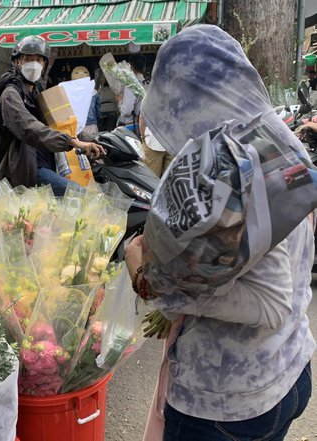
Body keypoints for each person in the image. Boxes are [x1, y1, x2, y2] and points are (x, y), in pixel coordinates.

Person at [124, 25, 314, 441]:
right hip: (289, 369)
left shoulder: (234, 176)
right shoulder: (275, 138)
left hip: (228, 404)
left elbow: (271, 301)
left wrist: (148, 279)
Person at [0, 35, 105, 197]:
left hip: (49, 162)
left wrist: (81, 139)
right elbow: (29, 127)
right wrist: (72, 142)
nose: (34, 64)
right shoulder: (10, 94)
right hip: (27, 168)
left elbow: (55, 123)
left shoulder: (34, 92)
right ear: (17, 62)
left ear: (45, 64)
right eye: (28, 59)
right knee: (80, 195)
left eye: (39, 59)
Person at [117, 53, 146, 133]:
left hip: (133, 127)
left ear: (131, 66)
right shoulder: (148, 83)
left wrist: (119, 102)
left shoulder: (131, 85)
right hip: (148, 125)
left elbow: (126, 110)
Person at [70, 65, 101, 140]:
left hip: (75, 127)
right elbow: (99, 112)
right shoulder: (94, 93)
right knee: (93, 147)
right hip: (91, 125)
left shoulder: (68, 92)